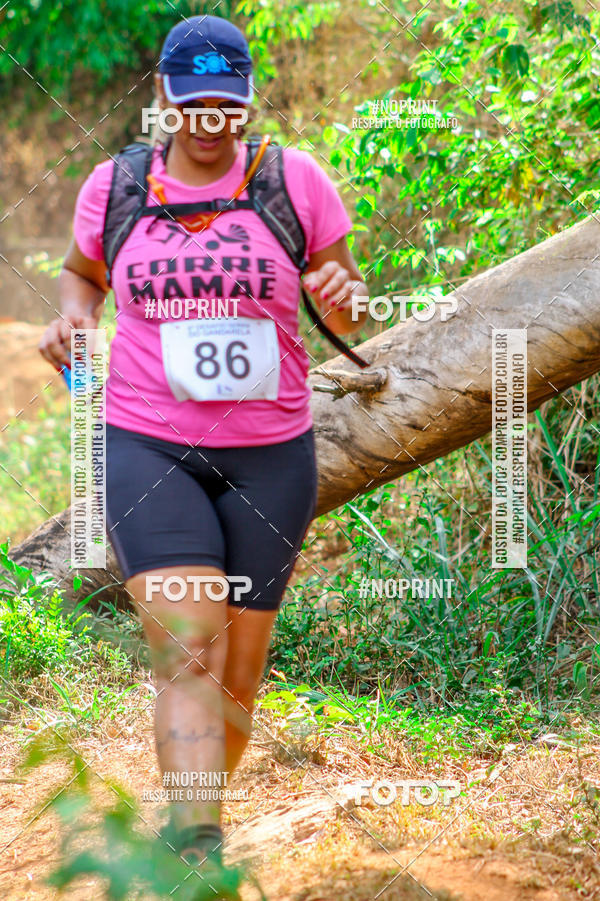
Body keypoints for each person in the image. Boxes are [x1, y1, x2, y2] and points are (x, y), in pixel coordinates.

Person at [39, 13, 370, 896]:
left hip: (272, 457)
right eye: (195, 104)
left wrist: (345, 293)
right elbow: (83, 273)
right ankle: (196, 847)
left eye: (228, 104)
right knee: (188, 649)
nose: (212, 121)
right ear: (164, 97)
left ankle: (200, 808)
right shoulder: (116, 188)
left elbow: (345, 306)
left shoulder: (293, 182)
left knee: (237, 673)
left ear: (248, 100)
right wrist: (75, 318)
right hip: (150, 446)